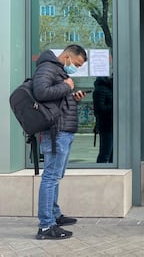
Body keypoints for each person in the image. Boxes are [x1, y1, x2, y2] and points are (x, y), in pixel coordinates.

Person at [33, 44, 88, 240]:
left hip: (63, 130)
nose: (77, 68)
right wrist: (67, 86)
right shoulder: (47, 67)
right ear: (67, 56)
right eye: (77, 64)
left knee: (55, 177)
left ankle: (54, 215)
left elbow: (55, 99)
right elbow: (40, 92)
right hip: (55, 132)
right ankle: (46, 226)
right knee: (50, 178)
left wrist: (73, 97)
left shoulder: (57, 70)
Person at [93, 76, 113, 163]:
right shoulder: (100, 89)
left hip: (112, 125)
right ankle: (100, 171)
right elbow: (99, 109)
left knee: (112, 154)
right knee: (105, 153)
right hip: (107, 125)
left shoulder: (111, 88)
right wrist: (115, 106)